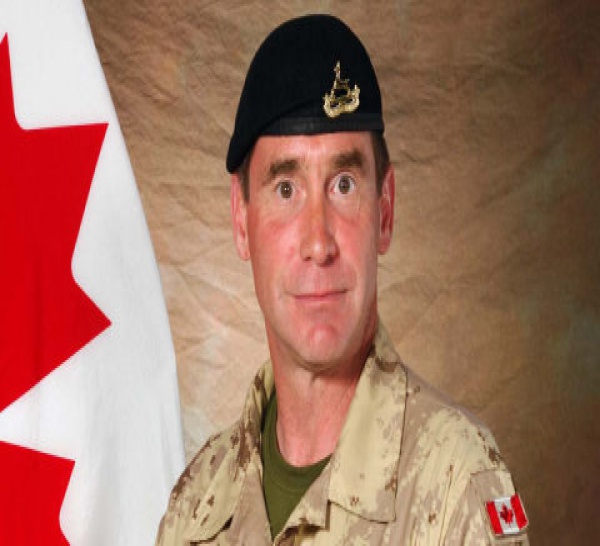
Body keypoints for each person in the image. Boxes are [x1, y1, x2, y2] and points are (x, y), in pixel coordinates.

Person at [156, 14, 529, 545]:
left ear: (385, 210)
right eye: (286, 189)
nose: (319, 242)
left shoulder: (455, 485)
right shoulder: (197, 503)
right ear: (241, 221)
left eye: (344, 185)